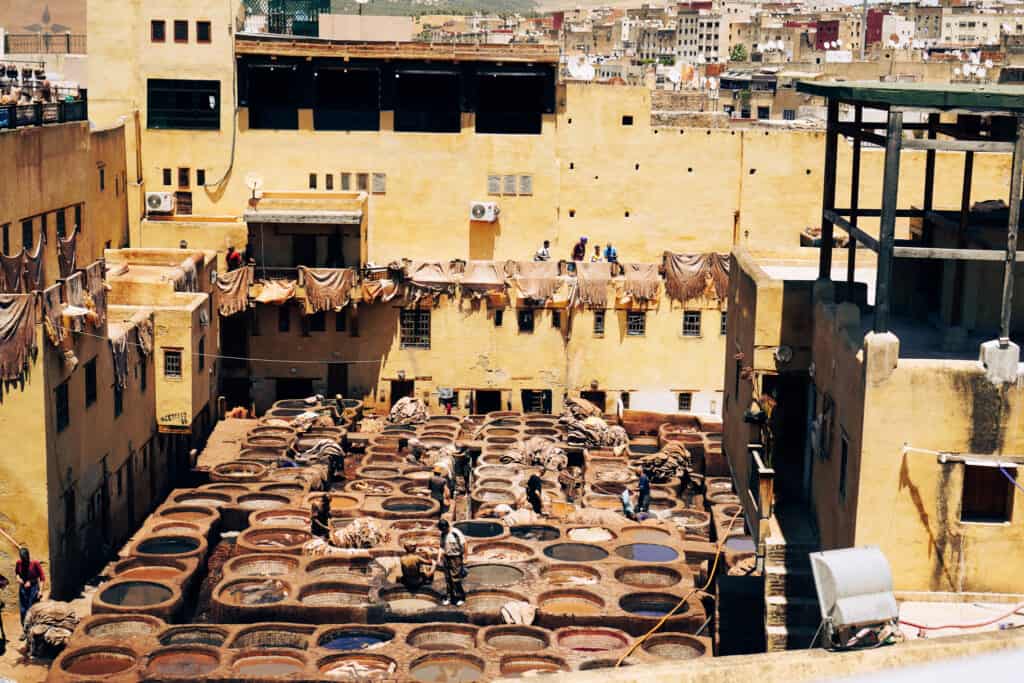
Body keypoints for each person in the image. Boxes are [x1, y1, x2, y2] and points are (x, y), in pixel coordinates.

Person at [15, 548, 44, 635]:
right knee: (23, 610)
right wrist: (18, 578)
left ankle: (33, 631)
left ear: (28, 556)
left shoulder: (35, 563)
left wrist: (40, 591)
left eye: (25, 559)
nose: (24, 561)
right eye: (22, 559)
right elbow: (17, 573)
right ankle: (25, 631)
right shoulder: (19, 563)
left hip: (33, 589)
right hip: (23, 589)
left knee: (32, 610)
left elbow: (42, 578)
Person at [437, 520, 466, 606]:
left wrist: (465, 557)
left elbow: (464, 544)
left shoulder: (455, 533)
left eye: (444, 529)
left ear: (447, 527)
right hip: (446, 558)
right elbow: (441, 547)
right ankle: (449, 597)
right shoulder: (443, 534)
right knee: (448, 579)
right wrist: (439, 558)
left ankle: (460, 597)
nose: (443, 531)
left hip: (456, 557)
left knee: (455, 579)